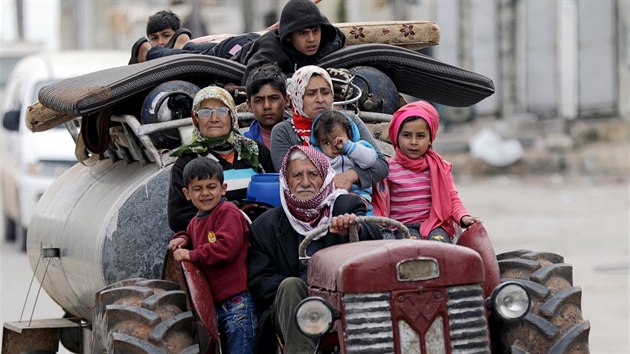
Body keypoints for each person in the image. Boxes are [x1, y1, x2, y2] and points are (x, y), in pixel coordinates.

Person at [247, 145, 382, 353]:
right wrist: (309, 290)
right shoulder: (265, 226)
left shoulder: (345, 206)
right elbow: (259, 283)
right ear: (286, 180)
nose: (305, 182)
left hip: (344, 302)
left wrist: (354, 228)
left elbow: (376, 237)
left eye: (312, 174)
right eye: (297, 175)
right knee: (290, 285)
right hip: (296, 310)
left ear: (325, 177)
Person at [168, 157, 257, 354]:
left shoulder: (227, 212)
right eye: (197, 188)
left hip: (237, 304)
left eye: (211, 186)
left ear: (223, 188)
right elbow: (190, 234)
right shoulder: (195, 221)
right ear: (187, 194)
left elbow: (225, 247)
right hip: (218, 305)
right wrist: (182, 238)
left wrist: (191, 255)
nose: (205, 193)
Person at [167, 86, 275, 232]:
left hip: (264, 237)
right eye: (205, 112)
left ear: (232, 116)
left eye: (222, 111)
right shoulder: (187, 162)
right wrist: (231, 219)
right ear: (195, 118)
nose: (214, 119)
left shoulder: (254, 151)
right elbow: (179, 218)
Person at [372, 100, 480, 242]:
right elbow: (377, 201)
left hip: (435, 226)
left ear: (430, 139)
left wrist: (463, 217)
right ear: (396, 137)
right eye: (407, 135)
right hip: (402, 228)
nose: (414, 142)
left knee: (441, 249)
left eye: (421, 136)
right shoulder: (386, 169)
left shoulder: (439, 167)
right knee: (412, 250)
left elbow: (452, 198)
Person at [270, 65, 388, 193]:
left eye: (325, 92)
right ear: (297, 97)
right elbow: (287, 177)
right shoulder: (284, 131)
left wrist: (351, 176)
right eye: (311, 94)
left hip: (357, 199)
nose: (320, 100)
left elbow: (381, 165)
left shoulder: (349, 121)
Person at [234, 0, 346, 83]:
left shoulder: (328, 41)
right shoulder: (271, 51)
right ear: (289, 36)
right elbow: (249, 81)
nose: (312, 39)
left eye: (315, 30)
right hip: (235, 47)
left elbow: (339, 37)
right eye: (303, 33)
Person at [129, 10, 260, 64]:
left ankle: (185, 46)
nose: (161, 42)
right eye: (154, 38)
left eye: (166, 35)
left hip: (242, 46)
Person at [310, 109, 378, 211]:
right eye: (326, 143)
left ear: (349, 135)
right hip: (332, 201)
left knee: (366, 222)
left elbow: (370, 160)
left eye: (339, 140)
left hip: (361, 199)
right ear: (318, 144)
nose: (334, 146)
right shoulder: (318, 159)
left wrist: (348, 147)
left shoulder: (357, 149)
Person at [243, 63, 291, 149]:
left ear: (287, 100)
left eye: (273, 98)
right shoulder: (244, 145)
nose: (266, 106)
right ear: (249, 105)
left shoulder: (302, 137)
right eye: (258, 100)